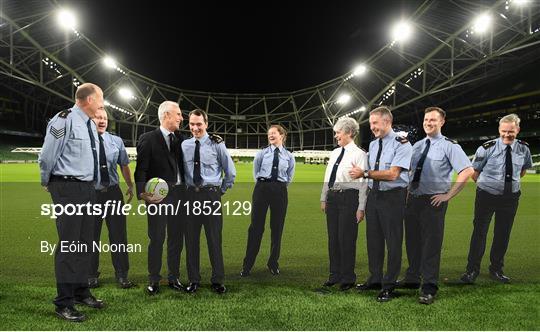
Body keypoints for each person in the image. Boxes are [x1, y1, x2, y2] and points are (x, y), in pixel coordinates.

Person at [39, 83, 106, 322]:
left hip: (88, 189)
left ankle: (80, 291)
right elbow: (47, 155)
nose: (103, 104)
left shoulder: (89, 123)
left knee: (86, 243)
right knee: (69, 244)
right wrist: (47, 182)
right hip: (67, 187)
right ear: (88, 99)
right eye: (101, 99)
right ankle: (63, 302)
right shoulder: (63, 119)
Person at [399, 107, 473, 305]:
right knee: (412, 242)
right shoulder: (417, 146)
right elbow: (411, 173)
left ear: (442, 122)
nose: (428, 123)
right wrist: (407, 194)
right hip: (413, 200)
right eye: (426, 119)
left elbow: (467, 171)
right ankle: (412, 278)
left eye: (433, 120)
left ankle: (429, 286)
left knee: (431, 245)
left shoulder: (450, 146)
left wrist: (448, 195)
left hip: (433, 201)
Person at [460, 113, 532, 284]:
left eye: (511, 132)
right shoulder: (486, 148)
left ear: (518, 130)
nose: (507, 135)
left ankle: (496, 269)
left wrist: (507, 187)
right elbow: (474, 173)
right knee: (479, 233)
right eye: (504, 131)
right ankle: (471, 270)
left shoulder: (524, 148)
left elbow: (522, 171)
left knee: (503, 234)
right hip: (486, 196)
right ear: (499, 130)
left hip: (510, 198)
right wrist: (490, 187)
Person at [349, 106, 412, 302]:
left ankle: (389, 285)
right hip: (374, 196)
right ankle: (375, 279)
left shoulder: (402, 144)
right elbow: (369, 178)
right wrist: (364, 203)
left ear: (387, 122)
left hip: (393, 197)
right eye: (371, 123)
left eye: (375, 123)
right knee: (373, 241)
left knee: (393, 242)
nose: (372, 127)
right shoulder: (374, 144)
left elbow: (393, 174)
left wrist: (365, 173)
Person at [134, 101, 186, 295]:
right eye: (178, 114)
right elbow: (141, 169)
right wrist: (143, 194)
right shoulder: (148, 138)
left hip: (180, 196)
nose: (181, 118)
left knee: (176, 239)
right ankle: (153, 279)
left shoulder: (182, 139)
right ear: (166, 115)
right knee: (156, 238)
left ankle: (174, 277)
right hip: (157, 197)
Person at [181, 109, 236, 294]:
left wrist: (219, 190)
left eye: (199, 124)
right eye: (192, 124)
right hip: (190, 196)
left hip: (211, 196)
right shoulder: (184, 145)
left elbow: (230, 172)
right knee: (191, 241)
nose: (195, 128)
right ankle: (194, 280)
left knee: (214, 239)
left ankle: (217, 280)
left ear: (206, 124)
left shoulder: (217, 144)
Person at [88, 108, 135, 289]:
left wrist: (130, 185)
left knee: (119, 236)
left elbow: (124, 164)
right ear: (90, 120)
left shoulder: (116, 141)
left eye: (104, 118)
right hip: (91, 195)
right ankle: (90, 274)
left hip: (114, 194)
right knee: (91, 237)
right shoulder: (83, 142)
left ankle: (122, 274)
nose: (102, 121)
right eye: (97, 117)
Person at [319, 117, 368, 291]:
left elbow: (364, 183)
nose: (336, 136)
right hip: (332, 198)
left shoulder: (360, 154)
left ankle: (348, 278)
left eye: (338, 132)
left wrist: (361, 207)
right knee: (333, 239)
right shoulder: (334, 153)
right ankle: (334, 275)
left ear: (348, 132)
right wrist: (323, 197)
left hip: (349, 198)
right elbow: (328, 176)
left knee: (346, 239)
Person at [241, 125, 295, 277]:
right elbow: (255, 172)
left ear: (282, 135)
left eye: (273, 133)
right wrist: (264, 186)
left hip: (280, 191)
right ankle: (247, 265)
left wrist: (278, 187)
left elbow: (289, 177)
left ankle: (273, 263)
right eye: (269, 134)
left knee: (277, 228)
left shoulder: (289, 156)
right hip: (262, 189)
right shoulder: (261, 154)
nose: (270, 136)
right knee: (255, 227)